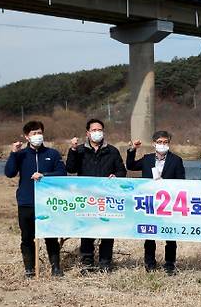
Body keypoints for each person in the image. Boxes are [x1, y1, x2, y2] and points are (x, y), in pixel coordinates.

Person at [4, 121, 67, 278]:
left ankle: (56, 268)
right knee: (27, 237)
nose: (38, 136)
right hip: (26, 202)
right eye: (34, 134)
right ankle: (30, 268)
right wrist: (13, 153)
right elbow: (9, 173)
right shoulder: (21, 154)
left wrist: (45, 176)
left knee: (51, 235)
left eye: (39, 133)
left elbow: (62, 173)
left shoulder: (52, 154)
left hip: (48, 203)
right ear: (27, 137)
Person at [66, 118, 126, 272]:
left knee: (107, 230)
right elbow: (71, 169)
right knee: (87, 230)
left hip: (107, 197)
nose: (97, 133)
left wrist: (116, 176)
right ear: (87, 133)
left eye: (99, 130)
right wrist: (72, 150)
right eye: (94, 130)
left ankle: (105, 262)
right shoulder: (79, 150)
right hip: (87, 197)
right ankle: (87, 262)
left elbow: (122, 171)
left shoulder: (112, 150)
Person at [126, 130, 185, 275]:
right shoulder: (147, 159)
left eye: (165, 142)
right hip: (150, 202)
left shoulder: (176, 160)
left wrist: (168, 186)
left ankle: (170, 264)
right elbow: (131, 166)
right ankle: (150, 263)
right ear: (154, 144)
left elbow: (182, 181)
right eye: (159, 142)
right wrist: (132, 150)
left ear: (169, 144)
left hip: (168, 203)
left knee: (170, 235)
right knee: (149, 233)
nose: (162, 145)